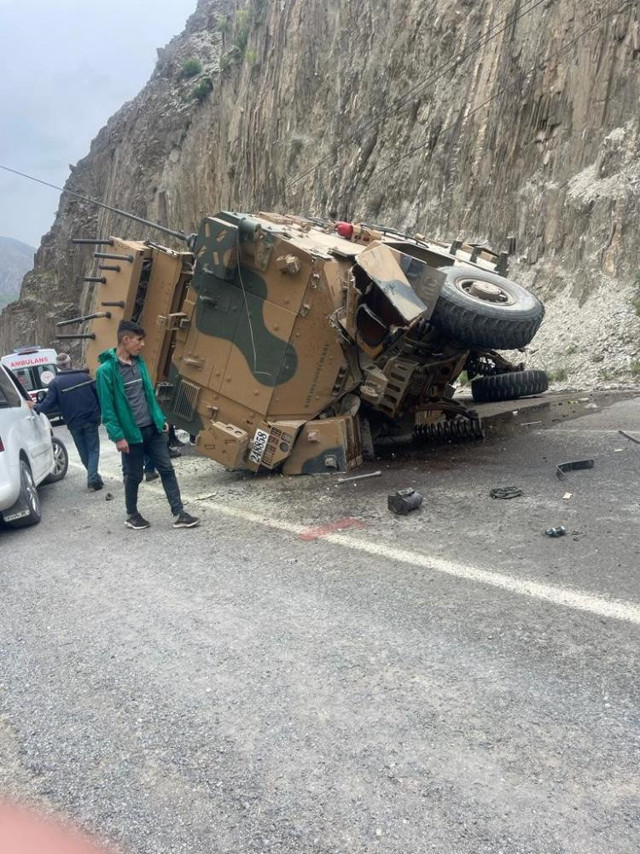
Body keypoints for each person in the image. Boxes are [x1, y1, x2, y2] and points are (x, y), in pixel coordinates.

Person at [96, 319, 199, 530]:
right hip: (131, 435)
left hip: (152, 430)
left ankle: (179, 513)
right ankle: (132, 515)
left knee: (167, 469)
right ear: (125, 340)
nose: (142, 345)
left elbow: (149, 396)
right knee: (134, 476)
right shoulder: (106, 371)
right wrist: (118, 437)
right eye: (139, 340)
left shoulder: (139, 363)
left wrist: (160, 420)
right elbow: (107, 409)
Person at [30, 352, 104, 491]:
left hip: (73, 422)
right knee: (93, 450)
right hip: (90, 419)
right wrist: (99, 413)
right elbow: (98, 395)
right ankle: (93, 479)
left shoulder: (54, 383)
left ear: (57, 367)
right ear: (71, 363)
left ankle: (94, 478)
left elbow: (48, 404)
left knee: (83, 451)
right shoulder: (84, 377)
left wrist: (35, 407)